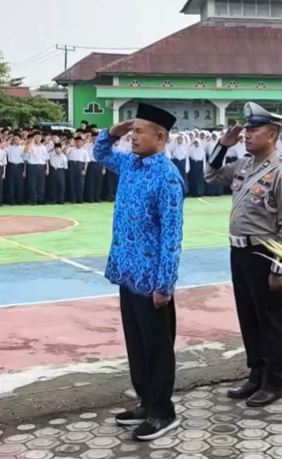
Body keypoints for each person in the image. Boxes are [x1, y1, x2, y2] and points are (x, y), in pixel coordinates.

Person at [93, 103, 185, 442]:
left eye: (140, 132)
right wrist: (115, 130)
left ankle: (162, 411)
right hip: (126, 274)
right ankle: (146, 402)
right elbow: (100, 152)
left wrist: (164, 284)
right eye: (132, 131)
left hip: (150, 281)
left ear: (160, 138)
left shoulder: (168, 177)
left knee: (157, 347)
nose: (133, 137)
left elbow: (172, 236)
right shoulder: (130, 164)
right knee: (137, 344)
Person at [205, 102, 282, 407]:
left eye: (254, 129)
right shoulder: (244, 165)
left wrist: (279, 269)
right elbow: (211, 174)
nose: (246, 134)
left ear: (272, 135)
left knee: (270, 319)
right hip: (240, 251)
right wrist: (224, 145)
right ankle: (256, 373)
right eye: (246, 129)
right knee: (248, 316)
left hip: (265, 253)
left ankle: (274, 381)